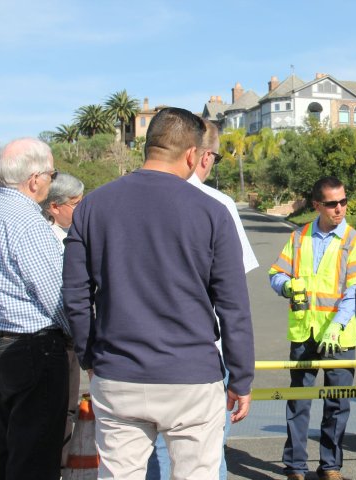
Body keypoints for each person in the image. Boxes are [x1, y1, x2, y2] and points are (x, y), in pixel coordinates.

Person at [62, 107, 254, 479]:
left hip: (118, 373)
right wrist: (242, 377)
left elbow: (75, 296)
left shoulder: (92, 208)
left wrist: (89, 357)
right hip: (192, 377)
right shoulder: (213, 212)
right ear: (191, 155)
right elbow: (233, 305)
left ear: (148, 147)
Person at [146, 121, 259, 480]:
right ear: (202, 156)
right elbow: (232, 298)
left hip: (133, 355)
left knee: (152, 456)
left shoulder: (117, 199)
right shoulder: (217, 205)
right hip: (202, 355)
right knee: (206, 456)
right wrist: (242, 375)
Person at [0, 138, 69, 479]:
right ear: (35, 178)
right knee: (35, 454)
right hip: (32, 347)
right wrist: (82, 337)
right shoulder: (27, 221)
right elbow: (57, 298)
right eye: (52, 174)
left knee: (2, 442)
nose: (51, 182)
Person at [268, 176, 356, 480]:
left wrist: (337, 326)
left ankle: (331, 466)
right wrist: (287, 287)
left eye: (343, 201)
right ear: (317, 205)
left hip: (339, 336)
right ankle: (296, 467)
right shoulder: (299, 238)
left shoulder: (354, 241)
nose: (340, 208)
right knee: (298, 401)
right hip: (304, 332)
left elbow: (354, 291)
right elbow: (276, 274)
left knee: (337, 404)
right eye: (332, 203)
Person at [39, 172, 84, 469]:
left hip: (73, 334)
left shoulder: (78, 235)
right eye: (76, 204)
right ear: (55, 207)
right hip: (51, 335)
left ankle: (62, 464)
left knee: (69, 406)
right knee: (46, 408)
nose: (82, 209)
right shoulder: (43, 238)